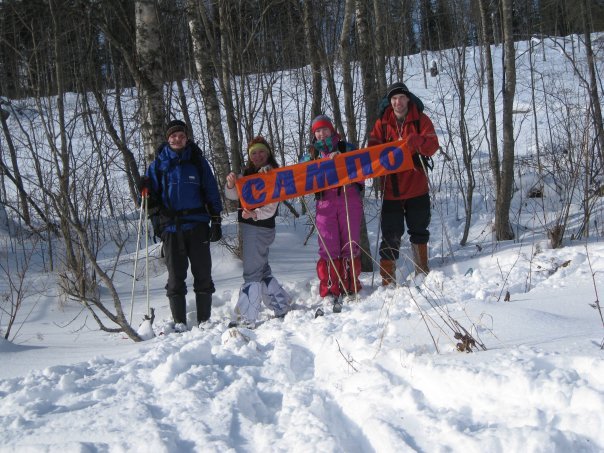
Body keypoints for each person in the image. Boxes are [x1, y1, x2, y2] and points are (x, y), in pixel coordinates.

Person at [139, 119, 223, 332]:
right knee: (176, 278)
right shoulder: (158, 164)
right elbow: (149, 201)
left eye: (181, 136)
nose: (178, 139)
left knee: (203, 274)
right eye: (173, 136)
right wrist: (143, 191)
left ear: (187, 138)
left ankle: (204, 320)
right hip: (171, 228)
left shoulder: (197, 161)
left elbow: (211, 190)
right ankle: (179, 323)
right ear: (168, 139)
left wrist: (216, 219)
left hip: (198, 225)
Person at [368, 82, 439, 285]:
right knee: (391, 232)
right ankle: (387, 279)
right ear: (389, 102)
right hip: (392, 188)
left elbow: (433, 146)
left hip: (417, 185)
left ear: (408, 99)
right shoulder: (382, 122)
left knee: (419, 229)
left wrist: (419, 142)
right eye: (393, 99)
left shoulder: (421, 120)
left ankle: (421, 270)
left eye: (401, 98)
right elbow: (372, 150)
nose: (397, 102)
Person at [225, 136, 291, 328]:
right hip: (252, 227)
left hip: (259, 227)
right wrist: (230, 184)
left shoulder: (272, 173)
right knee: (262, 271)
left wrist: (254, 214)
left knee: (252, 274)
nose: (258, 155)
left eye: (261, 151)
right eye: (254, 153)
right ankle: (281, 305)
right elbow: (233, 195)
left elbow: (272, 206)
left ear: (268, 153)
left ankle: (247, 317)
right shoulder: (247, 173)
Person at [303, 115, 364, 313]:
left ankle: (350, 285)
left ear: (331, 130)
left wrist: (347, 168)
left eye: (324, 129)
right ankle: (330, 288)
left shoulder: (347, 147)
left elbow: (364, 167)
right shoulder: (311, 155)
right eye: (317, 131)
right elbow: (299, 175)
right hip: (325, 204)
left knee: (350, 243)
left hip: (348, 199)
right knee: (329, 247)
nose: (321, 134)